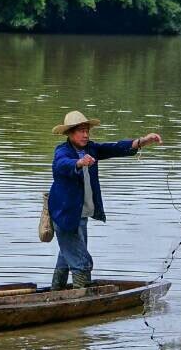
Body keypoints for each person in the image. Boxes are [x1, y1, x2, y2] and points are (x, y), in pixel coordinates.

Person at [47, 110, 162, 290]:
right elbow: (61, 165)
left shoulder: (91, 149)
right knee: (82, 262)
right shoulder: (62, 151)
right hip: (64, 215)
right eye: (81, 131)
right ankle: (81, 298)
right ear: (70, 133)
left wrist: (142, 141)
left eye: (87, 131)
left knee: (67, 256)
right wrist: (79, 163)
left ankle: (56, 293)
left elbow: (115, 148)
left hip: (80, 215)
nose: (86, 135)